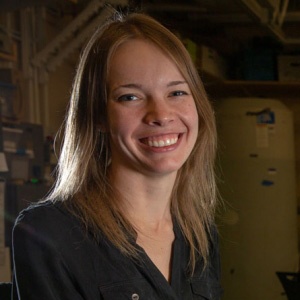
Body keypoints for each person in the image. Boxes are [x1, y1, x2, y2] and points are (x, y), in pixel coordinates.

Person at [12, 11, 222, 300]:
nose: (161, 115)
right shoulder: (49, 234)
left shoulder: (199, 233)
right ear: (98, 114)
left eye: (177, 93)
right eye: (130, 97)